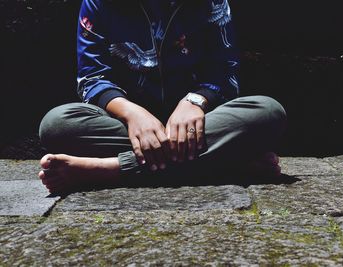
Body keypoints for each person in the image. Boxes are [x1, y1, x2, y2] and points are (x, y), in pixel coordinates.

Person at [38, 0, 287, 194]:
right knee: (57, 125)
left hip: (200, 122)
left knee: (268, 112)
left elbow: (224, 71)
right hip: (126, 125)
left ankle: (108, 170)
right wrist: (133, 114)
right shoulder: (99, 3)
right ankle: (229, 165)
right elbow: (92, 78)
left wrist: (195, 101)